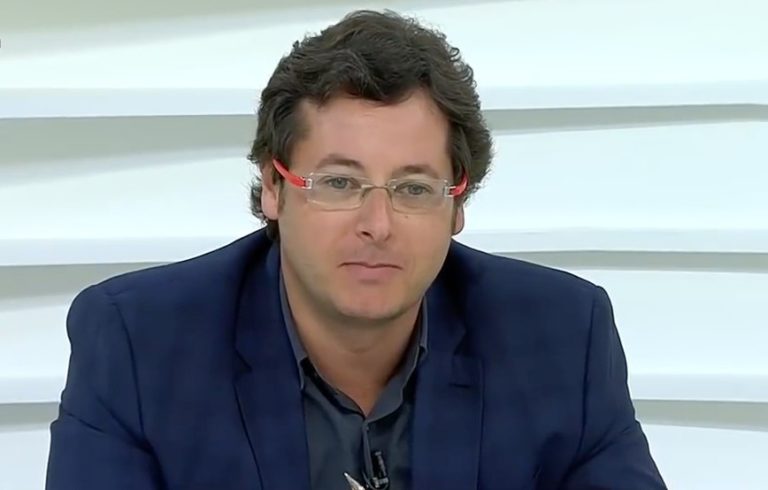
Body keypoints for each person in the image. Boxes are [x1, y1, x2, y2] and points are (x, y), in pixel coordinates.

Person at [45, 9, 666, 490]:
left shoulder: (562, 336)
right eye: (339, 183)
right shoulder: (139, 342)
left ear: (457, 205)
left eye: (413, 188)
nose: (378, 224)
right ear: (274, 189)